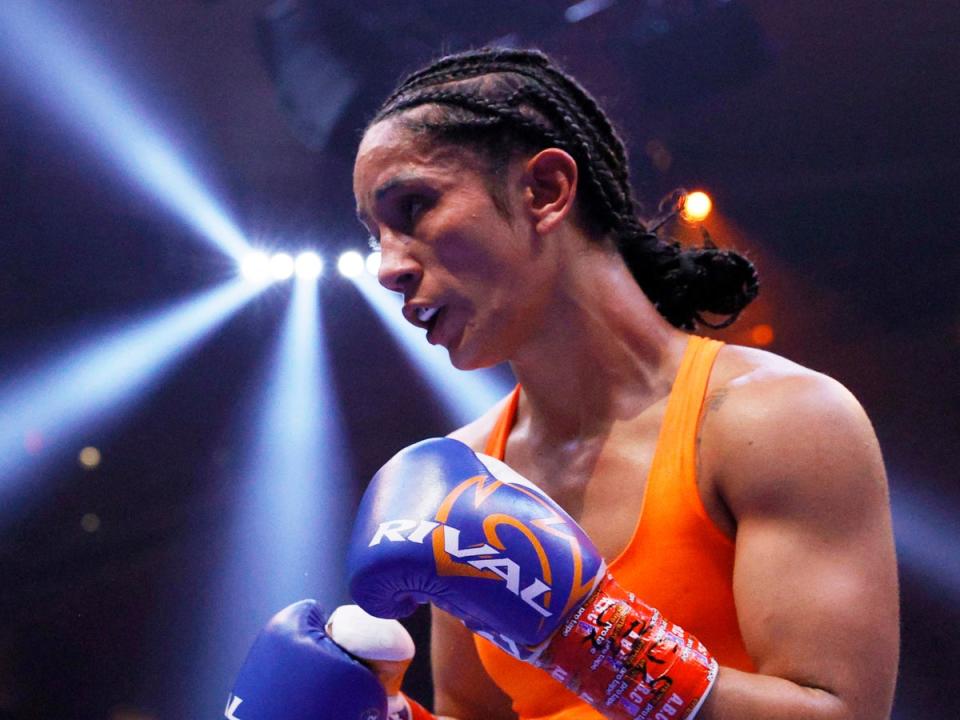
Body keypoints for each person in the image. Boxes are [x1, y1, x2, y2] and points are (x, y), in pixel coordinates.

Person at [347, 46, 899, 720]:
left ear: (545, 190)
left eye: (413, 206)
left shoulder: (773, 422)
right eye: (375, 235)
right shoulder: (463, 475)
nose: (387, 267)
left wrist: (588, 638)